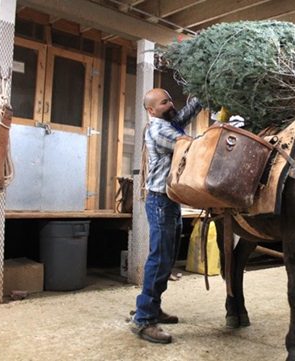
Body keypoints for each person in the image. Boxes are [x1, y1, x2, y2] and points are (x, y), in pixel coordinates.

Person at [129, 88, 202, 344]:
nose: (170, 104)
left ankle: (152, 307)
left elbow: (181, 117)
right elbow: (191, 147)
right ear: (151, 110)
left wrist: (202, 95)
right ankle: (143, 319)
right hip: (160, 201)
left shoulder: (167, 122)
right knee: (159, 260)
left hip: (169, 201)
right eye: (164, 102)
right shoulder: (160, 130)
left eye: (170, 99)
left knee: (167, 258)